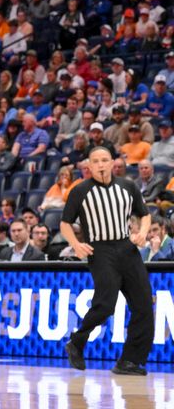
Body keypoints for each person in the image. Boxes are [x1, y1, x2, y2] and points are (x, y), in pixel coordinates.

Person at [61, 147, 154, 376]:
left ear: (113, 163)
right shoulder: (80, 190)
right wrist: (76, 244)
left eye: (104, 160)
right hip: (100, 251)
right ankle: (77, 341)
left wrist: (142, 232)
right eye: (95, 161)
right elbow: (65, 223)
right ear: (89, 166)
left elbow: (145, 214)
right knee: (105, 305)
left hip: (127, 248)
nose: (101, 165)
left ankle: (129, 361)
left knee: (143, 305)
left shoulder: (128, 186)